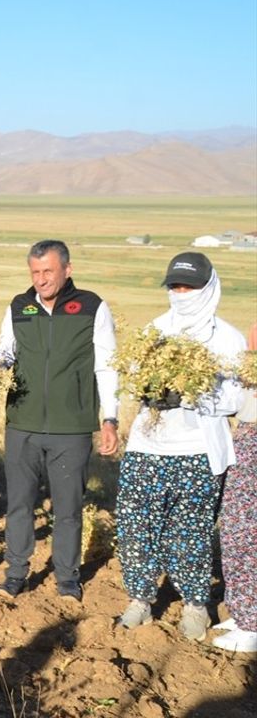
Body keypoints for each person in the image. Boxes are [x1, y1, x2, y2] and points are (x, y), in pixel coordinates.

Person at [114, 253, 246, 640]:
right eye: (175, 286)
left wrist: (192, 394)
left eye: (189, 286)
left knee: (190, 532)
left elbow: (237, 400)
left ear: (208, 287)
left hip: (198, 451)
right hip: (147, 446)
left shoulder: (227, 338)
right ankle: (140, 600)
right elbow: (135, 381)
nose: (181, 293)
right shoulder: (154, 331)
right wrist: (152, 390)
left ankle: (194, 606)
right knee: (136, 526)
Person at [0, 240, 118, 602]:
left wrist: (109, 418)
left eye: (48, 271)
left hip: (72, 426)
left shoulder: (92, 307)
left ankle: (67, 578)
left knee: (68, 508)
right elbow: (5, 351)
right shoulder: (19, 306)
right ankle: (16, 573)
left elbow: (106, 365)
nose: (41, 279)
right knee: (19, 503)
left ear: (67, 269)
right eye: (35, 272)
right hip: (22, 423)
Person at [215, 320, 257, 652]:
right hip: (247, 429)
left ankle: (250, 624)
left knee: (242, 529)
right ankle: (242, 608)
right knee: (234, 525)